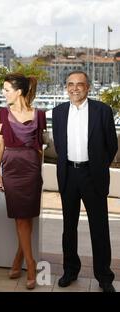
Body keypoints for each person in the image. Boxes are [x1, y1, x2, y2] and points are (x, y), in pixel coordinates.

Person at [52, 71, 117, 292]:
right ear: (66, 87)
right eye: (70, 84)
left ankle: (104, 277)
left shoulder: (102, 111)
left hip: (93, 176)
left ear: (88, 87)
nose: (75, 88)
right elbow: (59, 146)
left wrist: (97, 166)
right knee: (68, 228)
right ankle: (70, 271)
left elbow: (112, 146)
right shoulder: (58, 112)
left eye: (80, 84)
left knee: (99, 228)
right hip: (68, 175)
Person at [0, 73, 46, 289]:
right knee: (21, 219)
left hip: (32, 169)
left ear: (19, 91)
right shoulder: (2, 114)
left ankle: (19, 260)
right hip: (12, 169)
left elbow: (41, 147)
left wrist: (38, 172)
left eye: (6, 90)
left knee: (27, 219)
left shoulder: (39, 114)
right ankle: (30, 264)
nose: (3, 93)